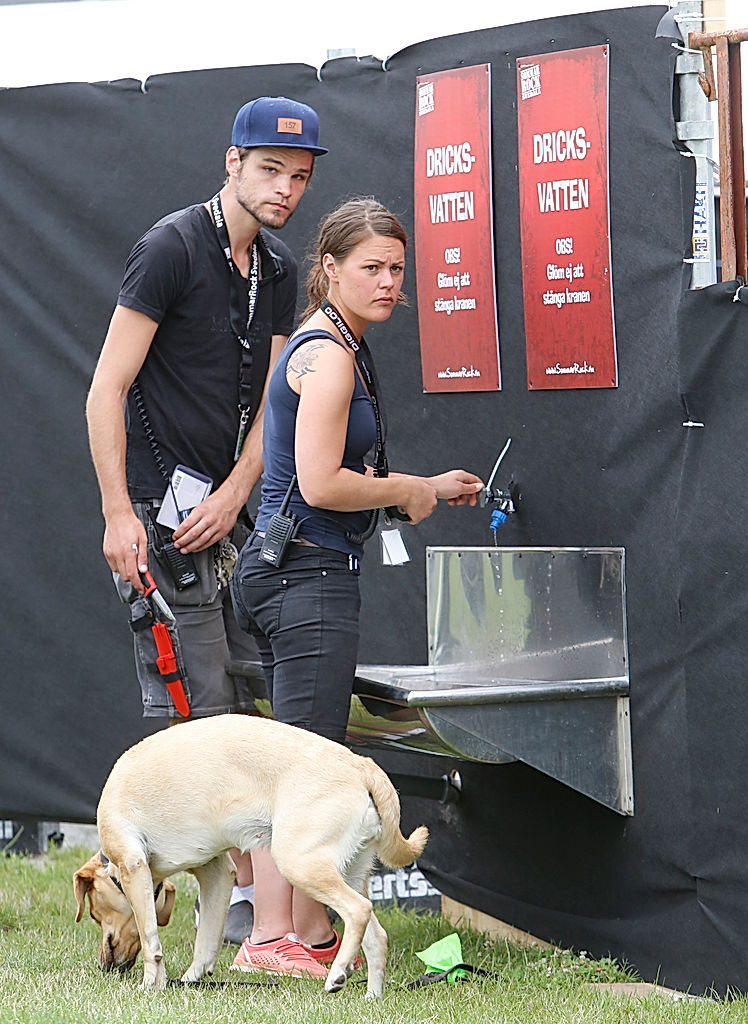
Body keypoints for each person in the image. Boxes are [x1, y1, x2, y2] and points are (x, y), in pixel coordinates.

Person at [85, 95, 327, 941]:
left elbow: (272, 400)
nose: (284, 189)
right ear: (231, 162)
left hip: (228, 517)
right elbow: (106, 388)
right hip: (156, 515)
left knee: (252, 695)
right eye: (269, 170)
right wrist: (120, 515)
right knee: (195, 703)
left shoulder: (282, 267)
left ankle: (257, 900)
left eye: (298, 177)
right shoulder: (169, 247)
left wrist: (235, 494)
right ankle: (194, 907)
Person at [229, 197, 484, 978]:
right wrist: (408, 488)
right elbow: (319, 481)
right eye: (370, 267)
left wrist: (427, 485)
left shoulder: (330, 341)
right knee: (305, 768)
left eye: (397, 269)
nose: (386, 282)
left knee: (290, 763)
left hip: (288, 571)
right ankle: (274, 942)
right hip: (304, 575)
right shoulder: (330, 354)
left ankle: (294, 936)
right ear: (329, 267)